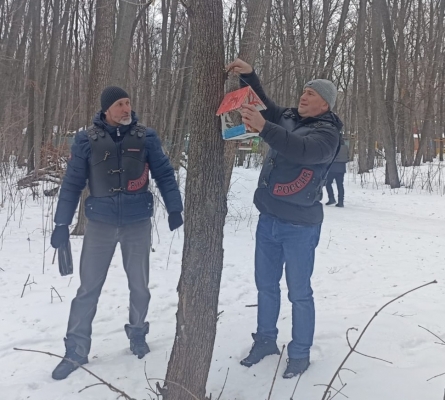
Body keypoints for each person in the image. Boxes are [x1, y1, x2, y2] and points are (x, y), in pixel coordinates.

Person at [50, 86, 183, 380]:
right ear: (107, 109)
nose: (126, 109)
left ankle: (137, 332)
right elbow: (72, 184)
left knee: (140, 286)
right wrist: (61, 224)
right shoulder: (86, 140)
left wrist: (175, 207)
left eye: (128, 103)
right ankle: (76, 350)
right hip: (100, 224)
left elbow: (164, 173)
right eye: (120, 104)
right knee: (88, 289)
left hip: (138, 222)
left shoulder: (146, 137)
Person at [226, 59, 343, 378]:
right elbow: (263, 104)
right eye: (303, 91)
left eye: (311, 94)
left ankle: (300, 353)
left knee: (299, 293)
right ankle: (265, 341)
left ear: (325, 104)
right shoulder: (288, 116)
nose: (303, 96)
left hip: (300, 225)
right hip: (269, 218)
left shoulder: (328, 134)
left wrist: (264, 128)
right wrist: (249, 75)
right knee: (266, 286)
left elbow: (302, 150)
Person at [325, 138, 349, 207]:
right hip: (341, 169)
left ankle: (331, 198)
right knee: (340, 185)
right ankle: (341, 201)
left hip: (332, 168)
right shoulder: (345, 148)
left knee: (328, 183)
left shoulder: (332, 146)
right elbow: (347, 158)